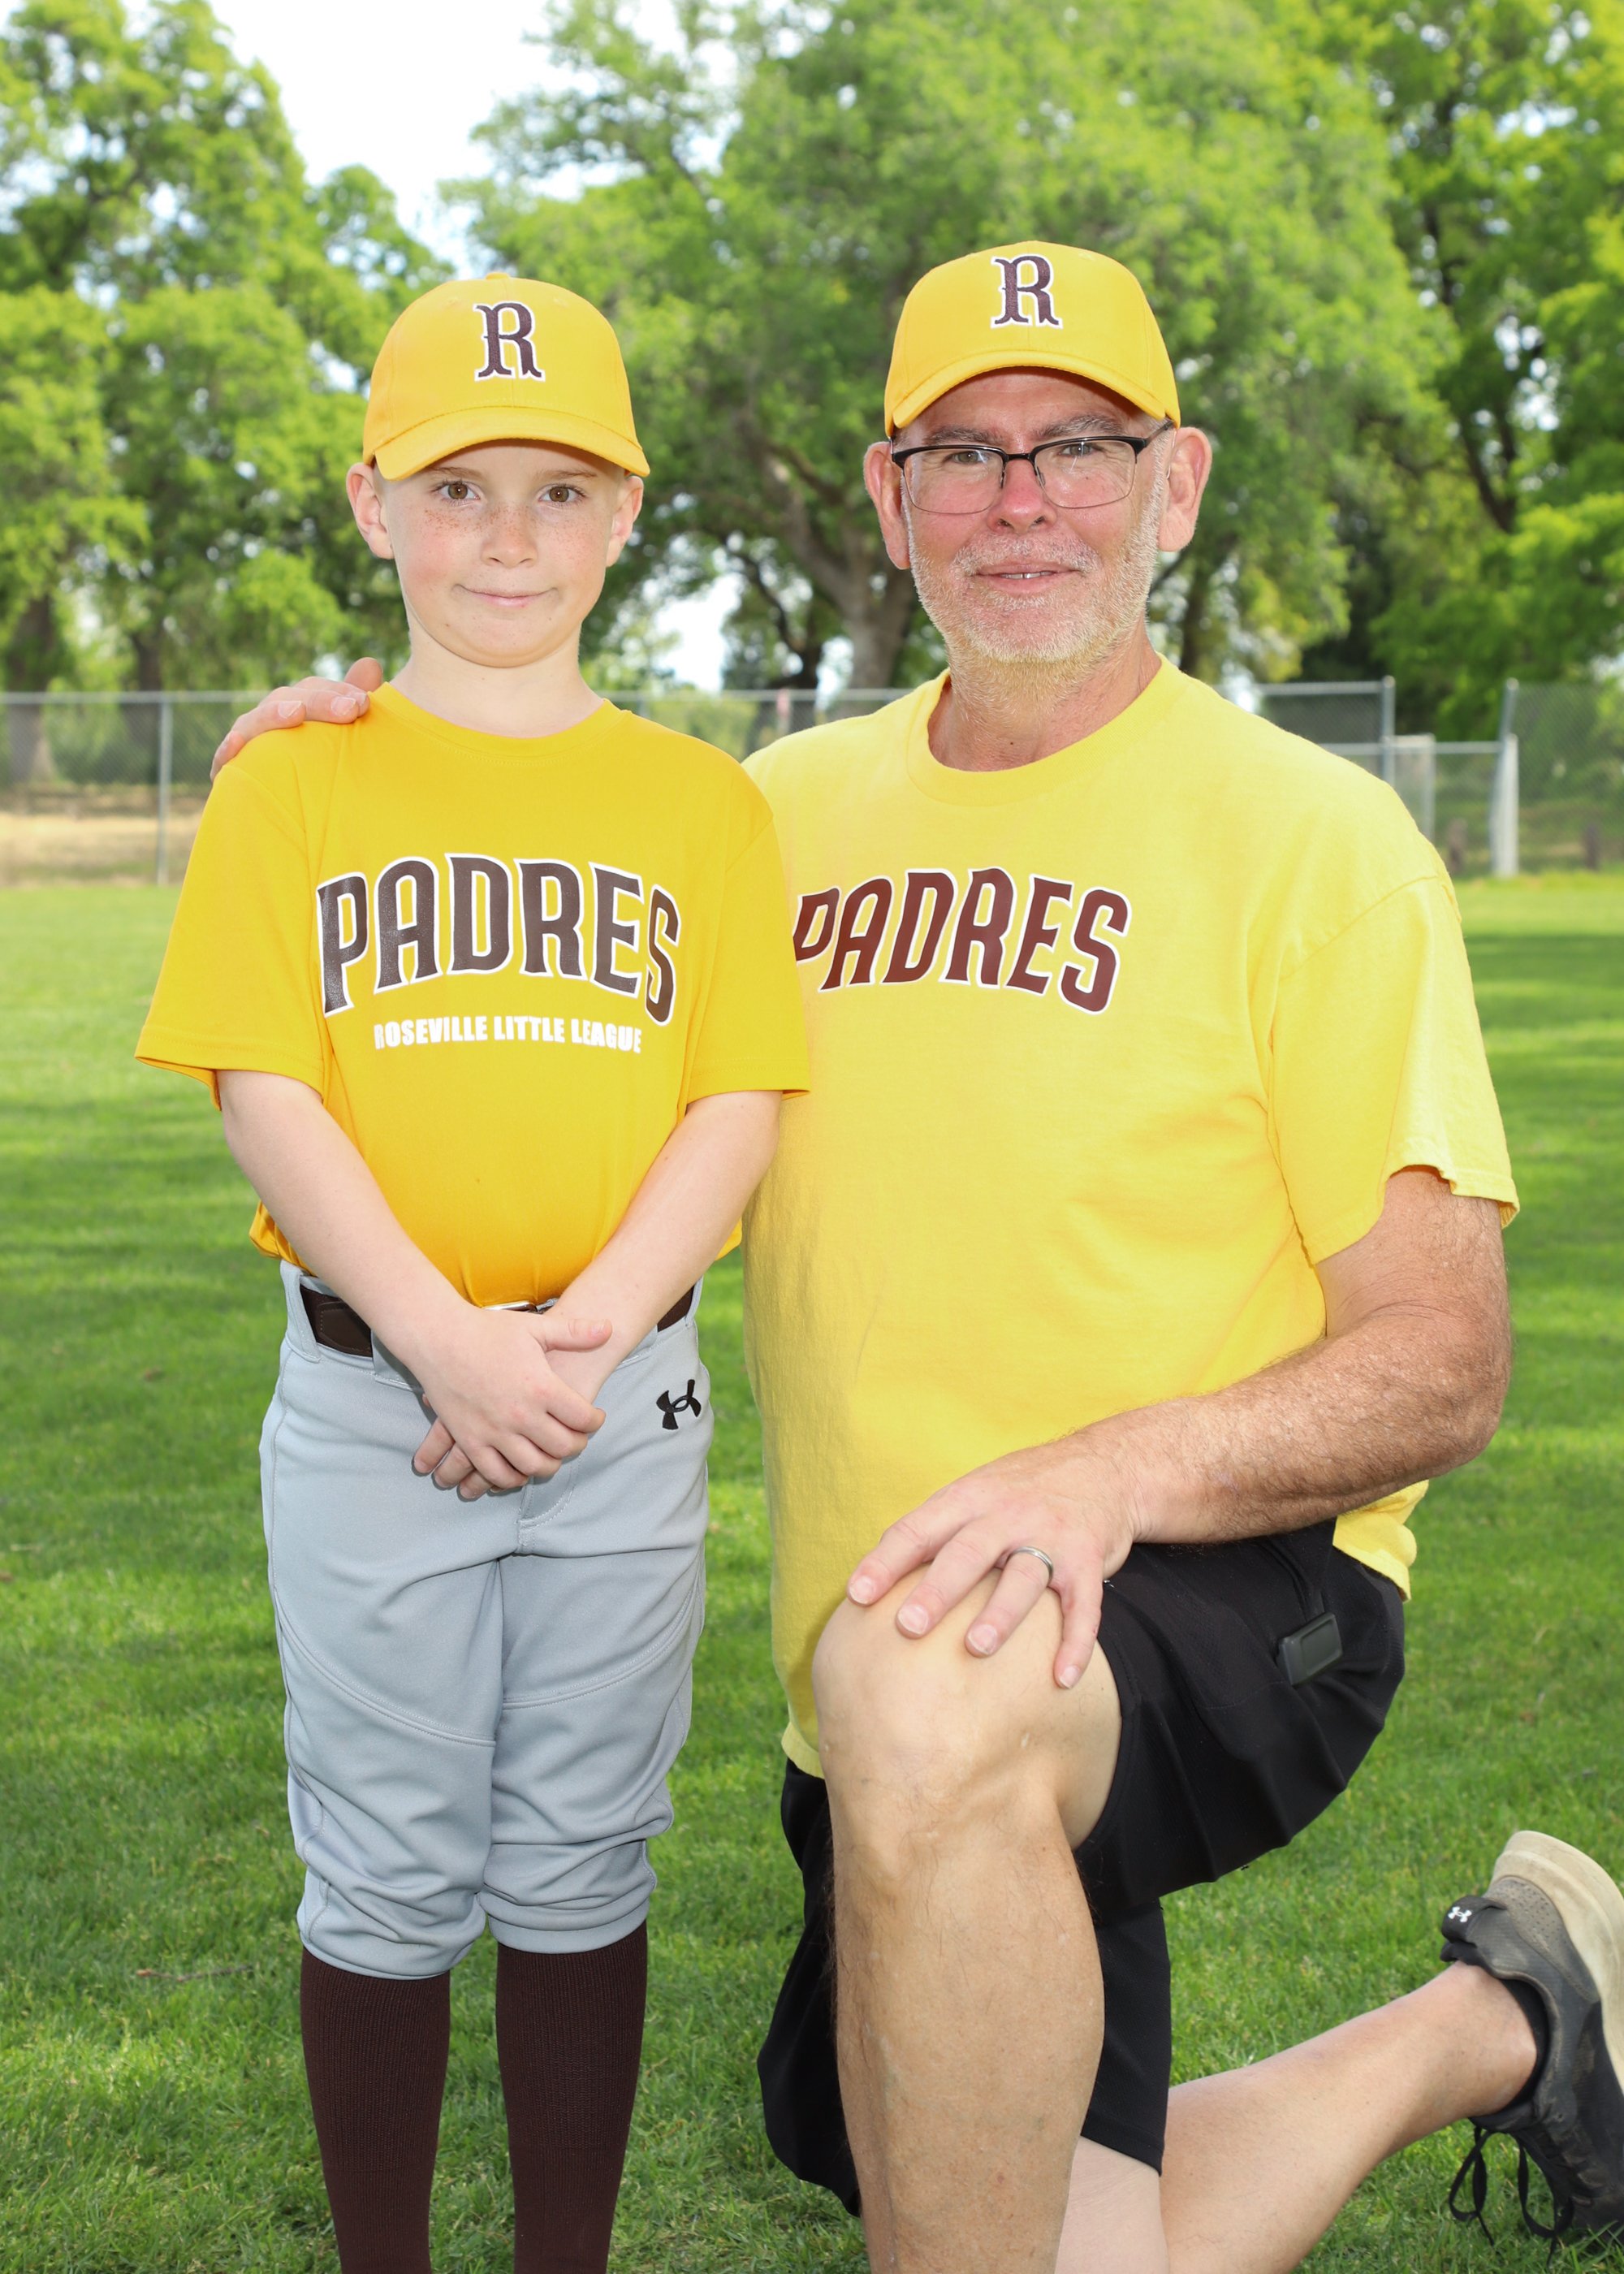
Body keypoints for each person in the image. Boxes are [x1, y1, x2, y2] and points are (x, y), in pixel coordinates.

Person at [214, 243, 1624, 2273]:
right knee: (1030, 2225)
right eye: (962, 454)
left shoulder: (1317, 848)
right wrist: (335, 740)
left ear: (1175, 481)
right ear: (888, 502)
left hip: (1214, 1588)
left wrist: (1099, 1477)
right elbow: (521, 868)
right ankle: (1496, 2018)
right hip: (899, 1671)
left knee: (933, 1732)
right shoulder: (766, 819)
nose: (1019, 500)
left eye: (1079, 447)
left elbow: (1441, 1358)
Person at [137, 271, 809, 2274]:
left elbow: (738, 1098)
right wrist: (445, 1342)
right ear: (373, 505)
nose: (505, 538)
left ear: (625, 517)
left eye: (556, 490)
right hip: (378, 1397)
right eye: (455, 489)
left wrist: (570, 1345)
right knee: (387, 1861)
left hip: (617, 1393)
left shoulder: (699, 801)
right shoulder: (293, 781)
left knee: (587, 1852)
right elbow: (264, 1085)